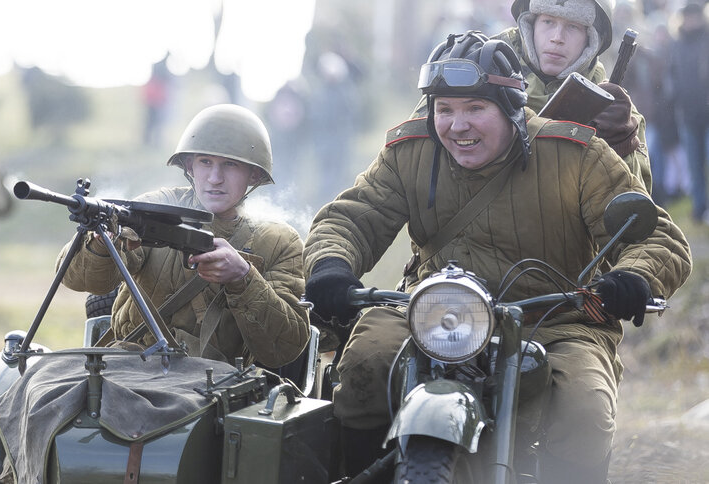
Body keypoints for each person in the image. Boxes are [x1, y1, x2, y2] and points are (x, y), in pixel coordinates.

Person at [303, 31, 691, 482]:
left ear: (511, 110)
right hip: (433, 308)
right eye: (444, 109)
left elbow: (658, 237)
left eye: (475, 108)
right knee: (365, 363)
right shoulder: (410, 152)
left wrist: (634, 278)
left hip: (555, 317)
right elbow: (351, 217)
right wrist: (331, 266)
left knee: (583, 408)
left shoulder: (576, 155)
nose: (457, 125)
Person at [58, 104, 309, 369]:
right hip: (129, 367)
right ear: (190, 165)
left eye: (230, 165)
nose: (214, 178)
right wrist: (100, 244)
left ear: (254, 174)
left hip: (215, 384)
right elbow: (80, 279)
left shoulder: (279, 242)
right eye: (205, 162)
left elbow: (285, 348)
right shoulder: (155, 209)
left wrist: (243, 278)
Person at [410, 0, 652, 191]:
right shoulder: (474, 68)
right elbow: (412, 155)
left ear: (592, 38)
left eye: (573, 26)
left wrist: (621, 142)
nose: (557, 37)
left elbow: (635, 206)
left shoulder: (614, 108)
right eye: (548, 21)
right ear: (530, 24)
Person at [670, 3, 709, 223]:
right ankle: (699, 209)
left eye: (695, 16)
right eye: (687, 16)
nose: (691, 20)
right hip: (687, 115)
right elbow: (672, 76)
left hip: (707, 113)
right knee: (694, 166)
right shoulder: (676, 44)